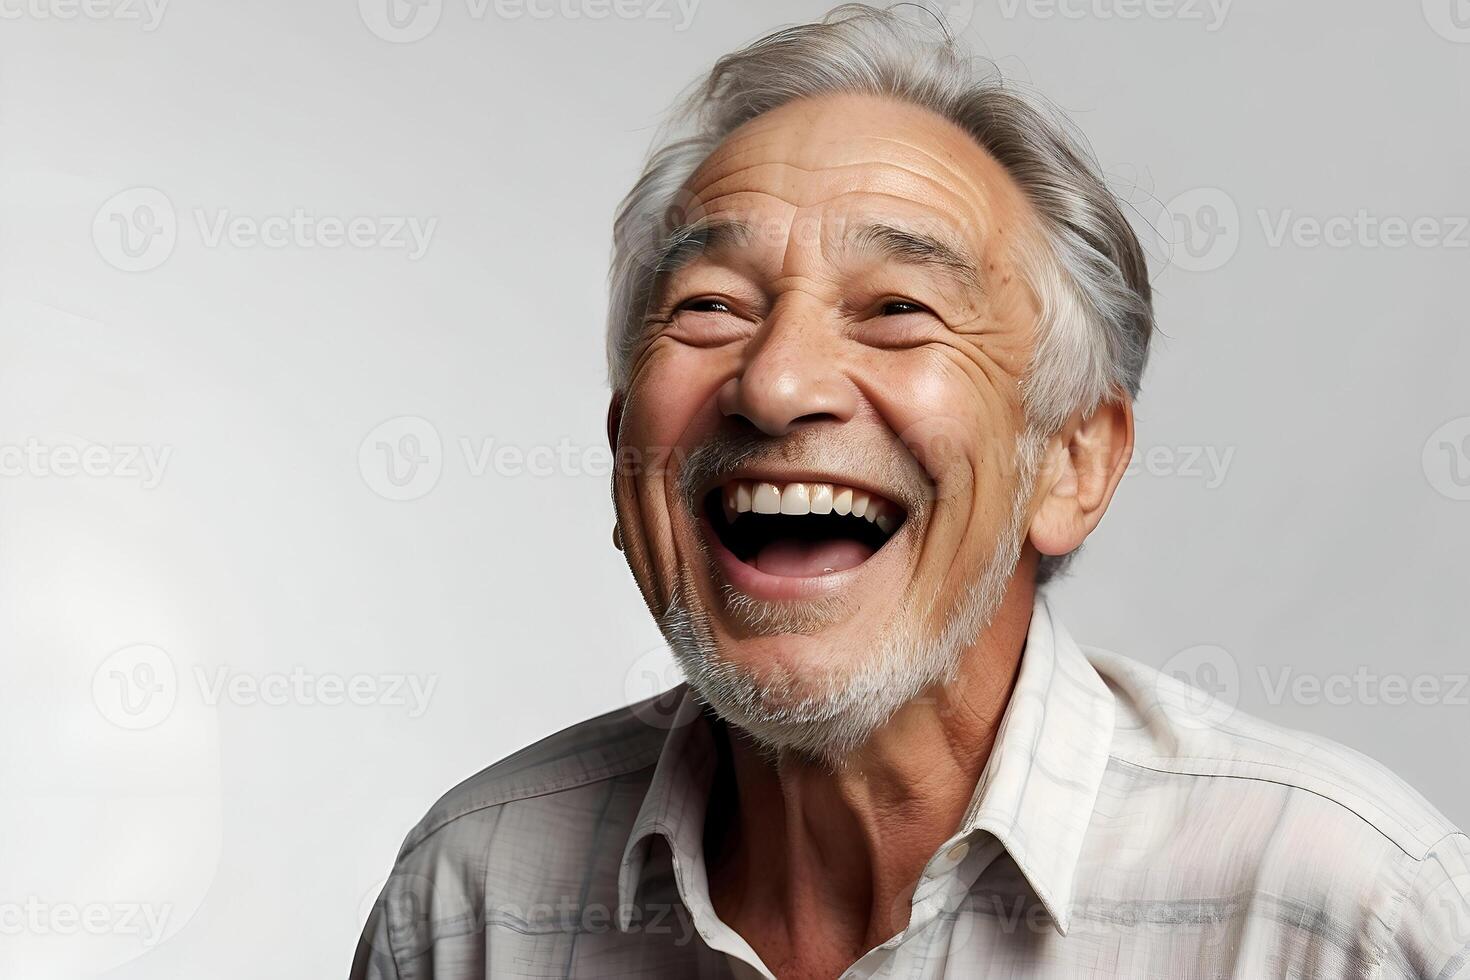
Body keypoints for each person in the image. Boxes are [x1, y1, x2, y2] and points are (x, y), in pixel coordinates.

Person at [351, 6, 1470, 977]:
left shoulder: (1338, 916)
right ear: (620, 450)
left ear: (1072, 462)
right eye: (709, 306)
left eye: (896, 308)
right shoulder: (471, 903)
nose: (776, 381)